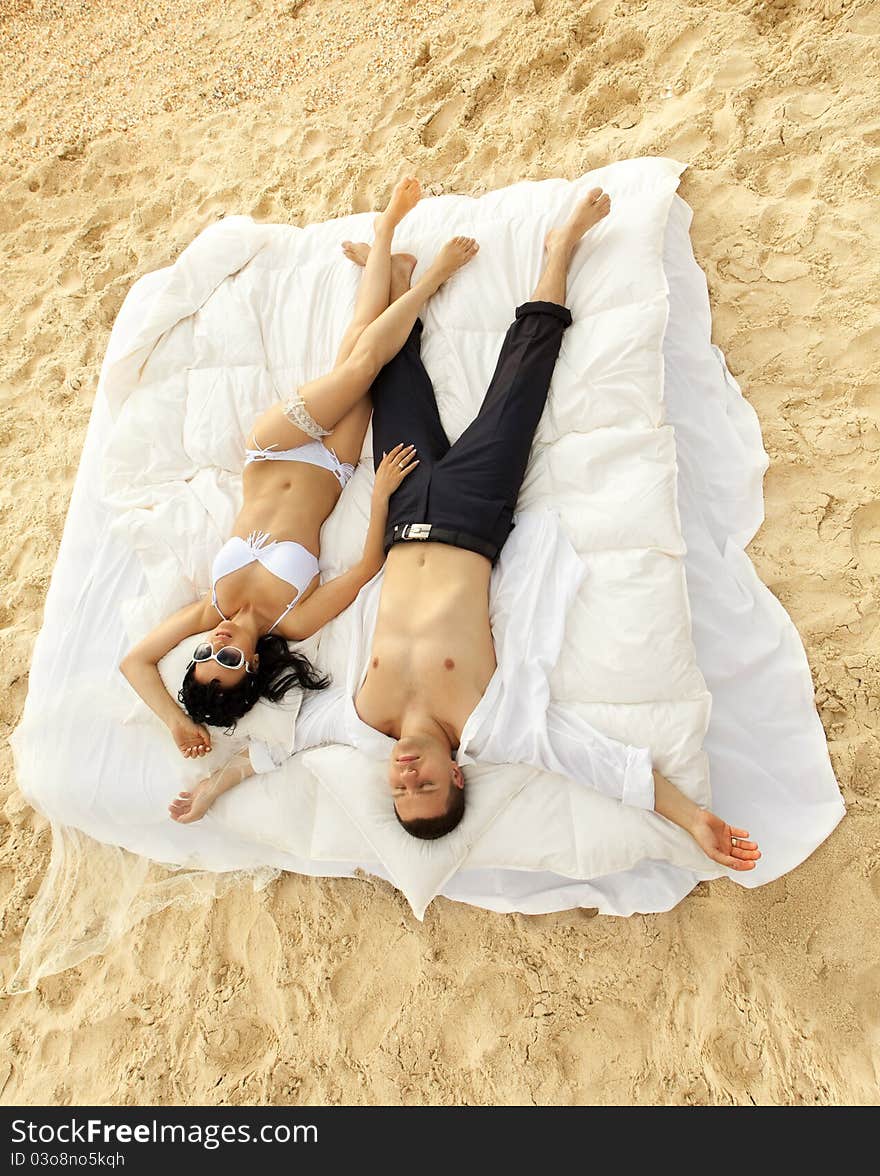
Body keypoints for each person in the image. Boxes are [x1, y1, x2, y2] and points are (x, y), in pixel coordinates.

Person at [170, 189, 762, 876]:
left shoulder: (359, 726)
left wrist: (214, 784)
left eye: (398, 791)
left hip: (399, 507)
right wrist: (693, 819)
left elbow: (271, 748)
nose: (406, 775)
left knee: (389, 374)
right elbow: (609, 768)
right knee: (526, 374)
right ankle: (561, 246)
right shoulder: (498, 727)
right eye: (425, 786)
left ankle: (398, 279)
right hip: (474, 514)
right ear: (458, 778)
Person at [120, 175, 481, 767]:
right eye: (231, 661)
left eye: (205, 655)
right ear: (254, 665)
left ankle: (408, 257)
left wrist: (174, 722)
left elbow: (133, 662)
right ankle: (390, 275)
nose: (219, 646)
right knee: (357, 357)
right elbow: (366, 567)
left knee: (362, 362)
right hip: (335, 463)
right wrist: (383, 493)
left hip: (272, 447)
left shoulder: (211, 607)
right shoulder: (294, 619)